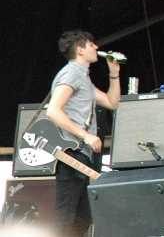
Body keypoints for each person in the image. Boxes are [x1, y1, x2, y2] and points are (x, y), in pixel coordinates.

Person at [46, 30, 121, 237]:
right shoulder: (71, 74)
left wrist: (114, 74)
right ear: (80, 49)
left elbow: (111, 102)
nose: (96, 47)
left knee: (82, 218)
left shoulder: (83, 78)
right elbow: (53, 110)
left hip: (83, 154)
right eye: (91, 44)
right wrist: (85, 135)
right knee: (65, 216)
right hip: (72, 152)